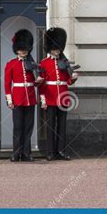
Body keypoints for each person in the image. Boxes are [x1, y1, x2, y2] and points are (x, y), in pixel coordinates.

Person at [39, 27, 79, 161]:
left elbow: (67, 80)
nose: (56, 51)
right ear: (49, 48)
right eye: (54, 49)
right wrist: (43, 99)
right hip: (50, 97)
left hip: (63, 97)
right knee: (50, 126)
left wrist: (73, 78)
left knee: (62, 125)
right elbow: (42, 84)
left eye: (57, 49)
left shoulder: (64, 62)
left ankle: (61, 150)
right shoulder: (44, 63)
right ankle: (50, 152)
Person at [4, 29, 44, 162]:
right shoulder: (11, 64)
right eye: (21, 49)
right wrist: (9, 100)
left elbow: (36, 83)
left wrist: (38, 82)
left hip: (30, 99)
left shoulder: (32, 64)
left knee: (28, 127)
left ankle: (26, 153)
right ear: (17, 49)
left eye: (26, 49)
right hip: (17, 98)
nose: (24, 51)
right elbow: (7, 84)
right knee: (18, 127)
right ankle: (16, 153)